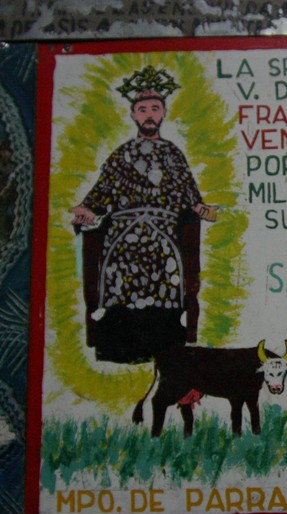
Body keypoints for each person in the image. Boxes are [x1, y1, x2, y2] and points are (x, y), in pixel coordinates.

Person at [71, 66, 216, 364]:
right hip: (122, 236)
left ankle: (165, 349)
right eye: (142, 110)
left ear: (163, 113)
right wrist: (86, 210)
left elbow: (190, 197)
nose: (149, 115)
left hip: (163, 235)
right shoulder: (121, 154)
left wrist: (202, 209)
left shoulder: (173, 154)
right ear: (133, 115)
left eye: (154, 109)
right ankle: (120, 348)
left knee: (167, 271)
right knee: (119, 271)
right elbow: (102, 192)